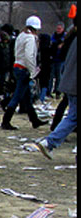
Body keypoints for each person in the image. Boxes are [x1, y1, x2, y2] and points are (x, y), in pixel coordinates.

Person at [35, 14, 76, 158]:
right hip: (75, 85)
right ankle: (50, 142)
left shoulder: (71, 39)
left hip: (70, 83)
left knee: (72, 116)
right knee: (73, 117)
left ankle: (50, 143)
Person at [0, 16, 47, 130]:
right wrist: (33, 72)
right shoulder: (30, 38)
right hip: (24, 69)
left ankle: (34, 119)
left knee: (26, 97)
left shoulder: (21, 35)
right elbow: (29, 56)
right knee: (17, 96)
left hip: (17, 66)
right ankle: (6, 121)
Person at [50, 21, 66, 98]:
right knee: (51, 76)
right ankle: (49, 91)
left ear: (63, 29)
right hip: (53, 58)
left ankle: (58, 91)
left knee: (59, 76)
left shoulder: (65, 37)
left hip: (61, 59)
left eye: (60, 28)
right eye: (57, 28)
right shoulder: (53, 36)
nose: (58, 30)